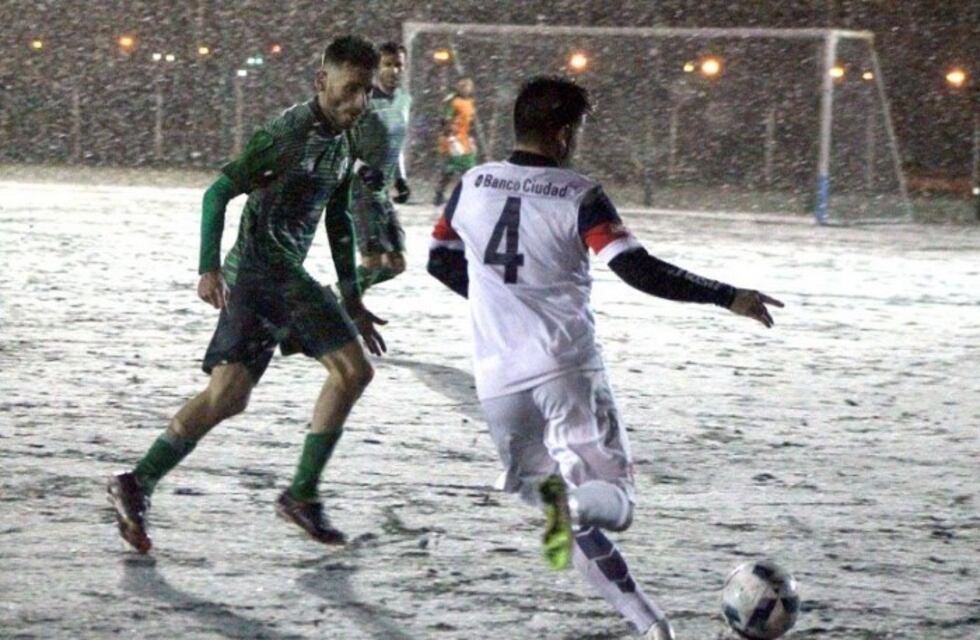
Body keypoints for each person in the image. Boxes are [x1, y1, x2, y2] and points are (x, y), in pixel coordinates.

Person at [426, 76, 783, 639]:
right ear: (564, 133)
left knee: (565, 515)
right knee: (613, 504)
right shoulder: (576, 193)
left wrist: (506, 306)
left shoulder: (471, 183)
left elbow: (441, 262)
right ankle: (571, 511)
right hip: (566, 371)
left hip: (498, 386)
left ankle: (650, 624)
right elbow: (637, 269)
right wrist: (726, 294)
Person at [107, 36, 388, 554]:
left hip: (268, 279)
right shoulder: (288, 134)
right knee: (352, 371)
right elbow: (218, 192)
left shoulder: (347, 137)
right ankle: (301, 494)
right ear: (320, 82)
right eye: (349, 90)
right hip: (264, 271)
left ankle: (136, 481)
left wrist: (352, 295)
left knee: (228, 397)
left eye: (366, 92)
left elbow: (340, 217)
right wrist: (208, 268)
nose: (358, 103)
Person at [349, 40, 413, 293]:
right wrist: (362, 168)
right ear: (377, 67)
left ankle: (337, 295)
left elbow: (395, 143)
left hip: (383, 191)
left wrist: (401, 178)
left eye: (399, 65)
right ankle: (338, 306)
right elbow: (339, 142)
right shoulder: (362, 99)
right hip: (359, 190)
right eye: (388, 64)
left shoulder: (404, 100)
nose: (394, 70)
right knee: (372, 261)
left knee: (397, 263)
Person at [433, 76, 477, 207]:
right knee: (452, 169)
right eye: (462, 85)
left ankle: (466, 195)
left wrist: (471, 137)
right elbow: (445, 120)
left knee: (467, 168)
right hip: (452, 140)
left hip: (464, 140)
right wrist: (450, 137)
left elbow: (469, 122)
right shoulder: (453, 101)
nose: (465, 88)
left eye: (468, 85)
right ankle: (440, 194)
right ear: (458, 86)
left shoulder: (470, 102)